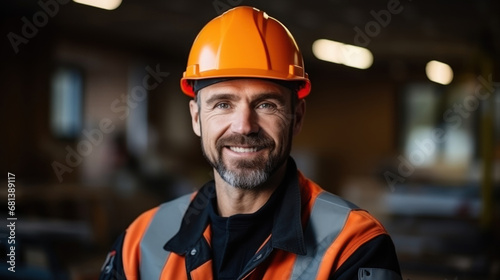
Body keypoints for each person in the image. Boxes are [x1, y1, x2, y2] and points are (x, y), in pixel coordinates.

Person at [99, 6, 402, 280]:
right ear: (196, 118)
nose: (244, 126)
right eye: (222, 104)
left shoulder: (354, 245)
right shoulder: (140, 242)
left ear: (296, 117)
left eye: (266, 104)